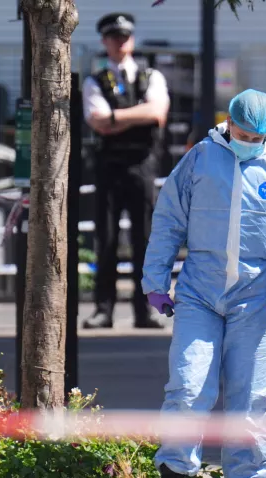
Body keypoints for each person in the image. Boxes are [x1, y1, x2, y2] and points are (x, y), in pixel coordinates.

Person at [139, 90, 266, 478]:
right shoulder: (200, 159)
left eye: (258, 137)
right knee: (188, 384)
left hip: (259, 294)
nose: (249, 142)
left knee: (251, 396)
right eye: (242, 133)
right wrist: (155, 281)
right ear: (229, 123)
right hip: (201, 288)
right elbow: (168, 220)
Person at [82, 12, 170, 329]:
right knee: (105, 241)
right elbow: (98, 122)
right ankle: (103, 309)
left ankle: (144, 310)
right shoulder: (95, 81)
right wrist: (138, 115)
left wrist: (117, 117)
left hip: (142, 166)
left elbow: (158, 112)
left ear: (131, 40)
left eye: (125, 37)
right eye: (114, 38)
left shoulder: (152, 77)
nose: (120, 43)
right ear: (105, 42)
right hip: (109, 168)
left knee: (144, 241)